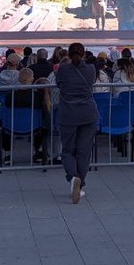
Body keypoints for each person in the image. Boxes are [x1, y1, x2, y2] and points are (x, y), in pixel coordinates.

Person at [54, 42, 100, 204]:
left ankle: (73, 177)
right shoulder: (91, 69)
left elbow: (58, 84)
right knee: (84, 151)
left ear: (68, 53)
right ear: (84, 54)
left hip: (68, 114)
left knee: (67, 150)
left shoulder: (63, 69)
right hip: (88, 114)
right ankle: (80, 184)